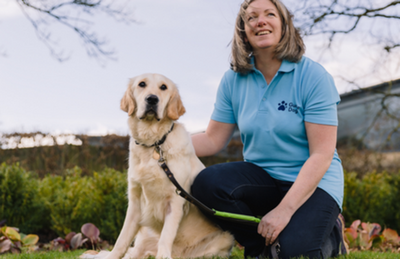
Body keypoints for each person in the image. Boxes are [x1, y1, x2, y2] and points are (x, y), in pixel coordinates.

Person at [190, 0, 347, 258]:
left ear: (284, 26)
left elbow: (322, 154)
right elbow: (212, 139)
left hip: (313, 183)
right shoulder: (233, 79)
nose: (260, 21)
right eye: (251, 17)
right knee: (207, 183)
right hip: (263, 179)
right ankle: (260, 248)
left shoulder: (314, 77)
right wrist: (163, 141)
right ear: (243, 30)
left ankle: (331, 233)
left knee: (296, 254)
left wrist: (284, 210)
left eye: (269, 14)